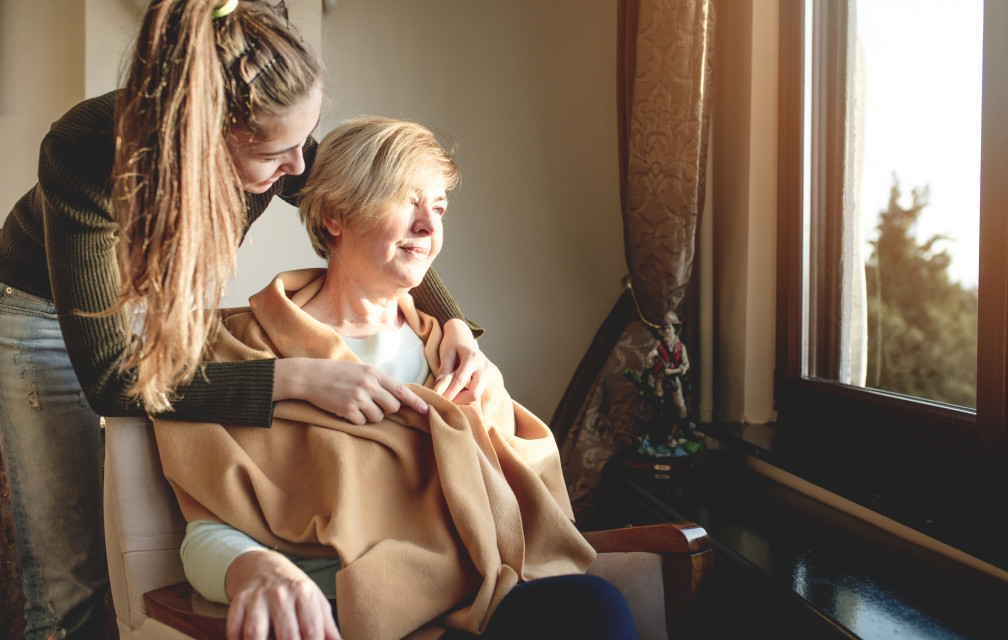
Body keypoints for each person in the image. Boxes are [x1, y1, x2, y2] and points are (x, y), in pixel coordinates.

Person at [0, 2, 488, 638]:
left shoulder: (275, 133)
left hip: (156, 304)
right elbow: (115, 383)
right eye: (276, 156)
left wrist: (448, 318)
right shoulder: (85, 154)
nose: (299, 170)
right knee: (72, 577)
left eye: (301, 143)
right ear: (204, 139)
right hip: (37, 312)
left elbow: (353, 201)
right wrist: (295, 378)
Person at [153, 116, 639, 640]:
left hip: (480, 604)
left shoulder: (456, 357)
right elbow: (207, 530)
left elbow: (527, 514)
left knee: (593, 606)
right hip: (341, 613)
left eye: (438, 208)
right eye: (407, 202)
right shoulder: (243, 352)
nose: (429, 228)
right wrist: (255, 569)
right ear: (336, 216)